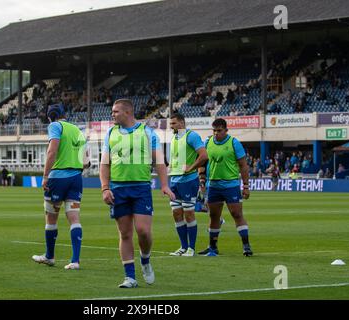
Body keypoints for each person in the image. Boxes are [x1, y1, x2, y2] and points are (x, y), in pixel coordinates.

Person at [100, 99, 175, 288]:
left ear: (127, 112)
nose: (112, 114)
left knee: (143, 231)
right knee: (125, 233)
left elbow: (159, 161)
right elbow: (104, 164)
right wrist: (105, 188)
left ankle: (145, 259)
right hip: (118, 189)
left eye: (115, 111)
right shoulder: (110, 133)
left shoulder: (147, 133)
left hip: (141, 188)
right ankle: (130, 277)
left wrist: (164, 185)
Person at [32, 104, 89, 270]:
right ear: (65, 113)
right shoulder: (78, 130)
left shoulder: (55, 126)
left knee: (51, 218)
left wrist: (45, 176)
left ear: (49, 117)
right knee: (74, 218)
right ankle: (75, 261)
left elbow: (52, 151)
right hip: (76, 178)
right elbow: (86, 161)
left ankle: (49, 256)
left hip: (58, 178)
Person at [197, 118, 253, 257]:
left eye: (219, 131)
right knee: (214, 215)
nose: (216, 133)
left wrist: (245, 186)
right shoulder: (208, 142)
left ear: (226, 130)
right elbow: (202, 162)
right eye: (214, 130)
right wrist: (202, 179)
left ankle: (246, 245)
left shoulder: (234, 143)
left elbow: (243, 166)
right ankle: (212, 247)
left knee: (237, 214)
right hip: (213, 185)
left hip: (231, 185)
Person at [167, 113, 207, 257]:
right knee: (176, 213)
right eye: (170, 124)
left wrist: (192, 167)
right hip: (174, 181)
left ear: (182, 123)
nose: (171, 127)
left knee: (189, 213)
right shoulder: (174, 138)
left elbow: (204, 155)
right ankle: (183, 247)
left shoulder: (192, 136)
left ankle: (191, 248)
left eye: (173, 124)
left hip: (188, 181)